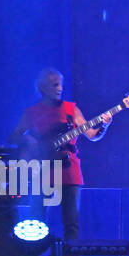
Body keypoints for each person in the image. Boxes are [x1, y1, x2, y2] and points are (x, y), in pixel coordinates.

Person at [8, 68, 110, 241]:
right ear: (43, 87)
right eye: (55, 84)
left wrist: (104, 125)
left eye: (61, 84)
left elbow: (91, 135)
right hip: (43, 171)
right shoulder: (31, 113)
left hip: (69, 170)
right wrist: (28, 140)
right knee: (36, 220)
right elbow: (13, 136)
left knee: (71, 222)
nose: (60, 88)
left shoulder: (71, 109)